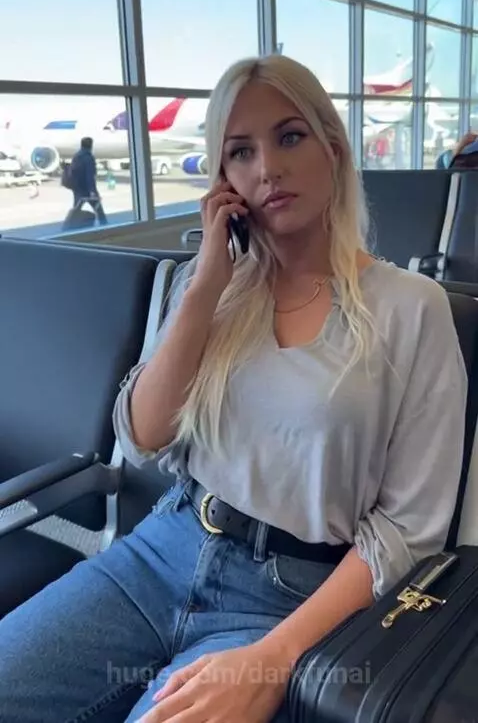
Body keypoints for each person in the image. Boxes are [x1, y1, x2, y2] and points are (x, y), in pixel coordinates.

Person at [0, 55, 467, 723]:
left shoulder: (411, 308)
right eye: (240, 152)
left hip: (290, 595)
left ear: (332, 147)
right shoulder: (213, 287)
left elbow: (408, 531)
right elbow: (141, 437)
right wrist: (207, 288)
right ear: (224, 180)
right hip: (163, 548)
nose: (267, 167)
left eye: (290, 136)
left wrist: (276, 659)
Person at [66, 135, 108, 225]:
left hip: (77, 187)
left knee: (77, 207)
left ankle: (71, 224)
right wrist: (92, 190)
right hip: (86, 189)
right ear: (91, 146)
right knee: (98, 207)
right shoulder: (88, 157)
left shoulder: (76, 156)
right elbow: (89, 175)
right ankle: (105, 225)